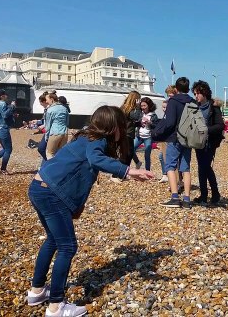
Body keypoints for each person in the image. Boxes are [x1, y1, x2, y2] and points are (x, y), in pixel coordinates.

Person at [26, 105, 154, 317]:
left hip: (39, 187)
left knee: (52, 240)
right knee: (67, 247)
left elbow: (81, 171)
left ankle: (37, 291)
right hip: (51, 192)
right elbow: (96, 160)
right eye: (121, 126)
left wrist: (127, 175)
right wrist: (129, 170)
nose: (123, 131)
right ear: (113, 127)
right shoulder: (98, 140)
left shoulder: (84, 136)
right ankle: (56, 306)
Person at [153, 77, 195, 208]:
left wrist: (159, 132)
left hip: (174, 137)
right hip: (188, 138)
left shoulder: (173, 101)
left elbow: (170, 122)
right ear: (188, 89)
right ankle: (187, 199)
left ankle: (175, 197)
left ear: (176, 89)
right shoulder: (193, 102)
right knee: (186, 168)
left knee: (170, 166)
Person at [191, 80, 224, 205]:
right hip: (198, 142)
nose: (196, 96)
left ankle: (206, 195)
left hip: (210, 143)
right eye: (194, 94)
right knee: (204, 168)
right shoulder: (194, 106)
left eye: (197, 94)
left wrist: (205, 130)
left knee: (203, 168)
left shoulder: (213, 107)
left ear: (204, 93)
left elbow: (220, 126)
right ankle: (213, 194)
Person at [111, 91, 142, 183]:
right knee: (125, 155)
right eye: (138, 99)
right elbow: (136, 117)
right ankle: (115, 175)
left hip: (126, 133)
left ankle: (122, 174)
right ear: (135, 99)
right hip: (126, 134)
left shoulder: (124, 108)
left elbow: (130, 121)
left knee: (129, 154)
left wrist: (138, 124)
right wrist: (138, 106)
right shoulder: (128, 109)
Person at [132, 97, 159, 171]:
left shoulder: (153, 115)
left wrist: (150, 123)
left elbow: (156, 126)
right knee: (131, 149)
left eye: (144, 106)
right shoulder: (140, 113)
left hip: (148, 137)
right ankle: (137, 162)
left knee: (147, 155)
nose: (143, 107)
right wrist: (137, 107)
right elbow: (135, 119)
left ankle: (147, 171)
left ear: (149, 105)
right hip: (139, 136)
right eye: (142, 106)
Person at [44, 92, 69, 159]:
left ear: (52, 99)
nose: (46, 101)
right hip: (64, 133)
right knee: (61, 153)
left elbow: (48, 125)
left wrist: (46, 137)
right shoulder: (64, 109)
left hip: (55, 133)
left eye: (47, 100)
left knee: (49, 153)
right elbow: (67, 122)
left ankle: (52, 168)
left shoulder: (50, 110)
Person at [36, 92, 50, 161]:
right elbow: (44, 120)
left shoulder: (49, 109)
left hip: (50, 131)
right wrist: (37, 122)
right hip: (47, 131)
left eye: (40, 102)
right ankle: (47, 162)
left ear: (44, 101)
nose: (40, 104)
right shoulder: (46, 109)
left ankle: (49, 162)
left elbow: (50, 121)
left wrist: (43, 126)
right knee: (44, 149)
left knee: (41, 148)